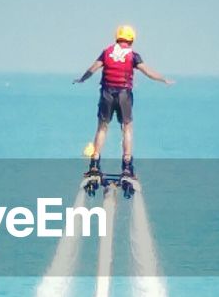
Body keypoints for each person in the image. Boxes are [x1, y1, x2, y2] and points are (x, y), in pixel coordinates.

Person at [73, 24, 174, 182]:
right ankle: (127, 166)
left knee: (102, 128)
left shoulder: (107, 52)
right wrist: (163, 79)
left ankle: (94, 163)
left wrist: (82, 79)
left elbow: (93, 68)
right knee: (127, 128)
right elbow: (147, 71)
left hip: (107, 93)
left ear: (117, 38)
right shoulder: (133, 55)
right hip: (124, 95)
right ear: (131, 40)